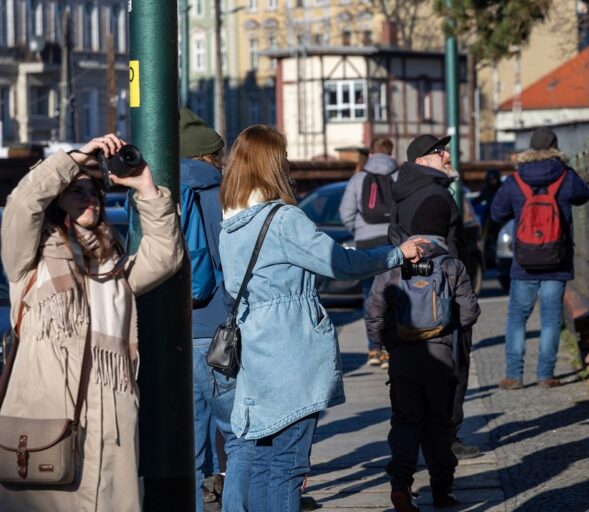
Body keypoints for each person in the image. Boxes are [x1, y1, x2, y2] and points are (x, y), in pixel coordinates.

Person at [218, 125, 427, 512]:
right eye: (283, 157)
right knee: (287, 465)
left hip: (256, 347)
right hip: (290, 348)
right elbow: (341, 263)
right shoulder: (283, 219)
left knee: (263, 459)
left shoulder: (231, 224)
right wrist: (397, 253)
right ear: (272, 165)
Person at [0, 134, 183, 511]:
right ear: (55, 203)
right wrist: (76, 156)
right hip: (46, 425)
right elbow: (22, 204)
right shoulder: (28, 258)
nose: (90, 198)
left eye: (94, 193)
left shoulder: (113, 268)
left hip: (110, 430)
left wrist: (147, 188)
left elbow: (166, 257)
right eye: (76, 192)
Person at [367, 197, 481, 512]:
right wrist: (448, 325)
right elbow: (470, 312)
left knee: (405, 420)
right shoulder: (452, 264)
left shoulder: (394, 262)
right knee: (437, 425)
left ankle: (401, 481)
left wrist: (380, 342)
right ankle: (443, 490)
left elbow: (375, 307)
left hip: (403, 355)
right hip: (441, 358)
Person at [390, 134, 478, 460]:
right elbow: (436, 253)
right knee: (450, 371)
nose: (446, 154)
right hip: (443, 299)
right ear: (423, 160)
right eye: (440, 151)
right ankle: (445, 441)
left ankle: (427, 441)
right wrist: (458, 295)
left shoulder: (406, 191)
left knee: (418, 377)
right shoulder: (434, 198)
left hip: (414, 300)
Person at [177, 107, 247, 511]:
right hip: (219, 327)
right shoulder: (223, 193)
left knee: (190, 437)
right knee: (236, 432)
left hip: (175, 327)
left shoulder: (157, 190)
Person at [490, 126, 589, 390]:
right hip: (557, 260)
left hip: (523, 261)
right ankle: (546, 375)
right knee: (550, 320)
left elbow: (496, 213)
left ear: (531, 149)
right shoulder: (565, 176)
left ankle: (514, 375)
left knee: (517, 318)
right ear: (555, 147)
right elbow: (585, 194)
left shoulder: (516, 180)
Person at [339, 136, 398, 368]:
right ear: (391, 153)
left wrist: (358, 230)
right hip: (392, 241)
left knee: (370, 296)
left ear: (371, 154)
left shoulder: (358, 178)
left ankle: (374, 348)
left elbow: (346, 211)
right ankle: (390, 349)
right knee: (393, 294)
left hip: (365, 243)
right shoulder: (399, 176)